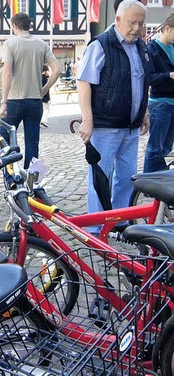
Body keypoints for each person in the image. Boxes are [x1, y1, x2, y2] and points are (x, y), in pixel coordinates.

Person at [76, 0, 151, 222]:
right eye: (132, 23)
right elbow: (84, 83)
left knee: (127, 177)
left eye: (141, 23)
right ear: (118, 20)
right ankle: (96, 226)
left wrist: (143, 112)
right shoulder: (100, 45)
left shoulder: (140, 46)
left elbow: (140, 82)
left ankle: (120, 221)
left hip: (131, 126)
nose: (137, 28)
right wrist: (87, 119)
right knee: (101, 177)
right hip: (105, 125)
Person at [0, 12, 61, 168]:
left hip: (14, 99)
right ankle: (30, 182)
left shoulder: (10, 43)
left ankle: (12, 177)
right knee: (33, 143)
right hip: (34, 100)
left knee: (6, 138)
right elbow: (57, 69)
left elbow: (7, 73)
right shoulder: (42, 44)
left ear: (14, 26)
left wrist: (4, 102)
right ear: (29, 26)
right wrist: (44, 89)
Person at [143, 13, 174, 173]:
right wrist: (168, 75)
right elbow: (148, 78)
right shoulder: (151, 49)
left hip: (172, 102)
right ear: (167, 28)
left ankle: (158, 180)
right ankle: (148, 182)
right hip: (160, 103)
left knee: (167, 146)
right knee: (155, 147)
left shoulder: (173, 47)